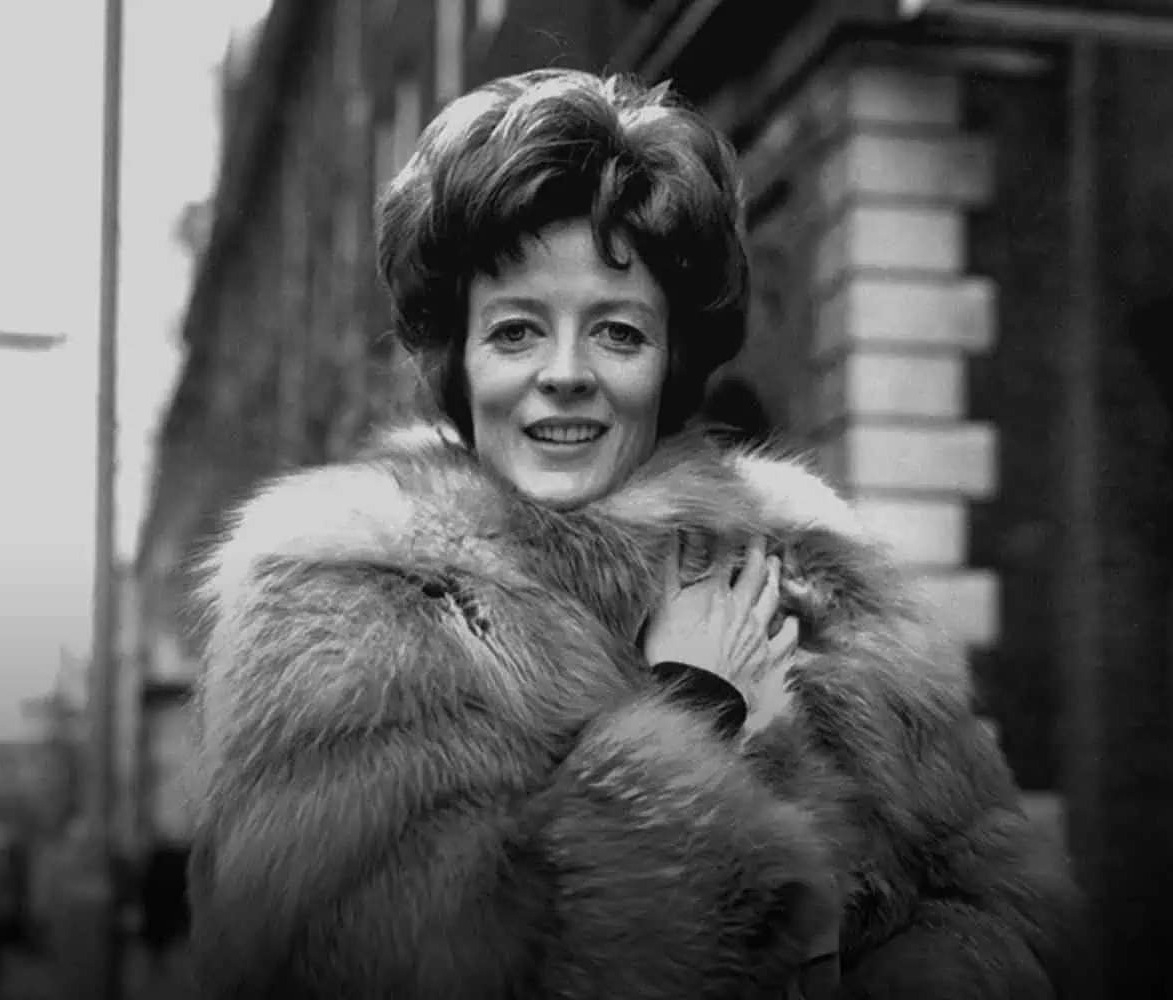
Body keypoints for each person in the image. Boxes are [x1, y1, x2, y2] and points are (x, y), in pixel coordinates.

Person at [185, 68, 1083, 999]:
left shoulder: (813, 581)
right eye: (516, 332)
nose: (566, 373)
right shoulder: (342, 613)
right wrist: (693, 716)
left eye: (617, 333)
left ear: (671, 360)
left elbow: (1003, 911)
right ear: (460, 360)